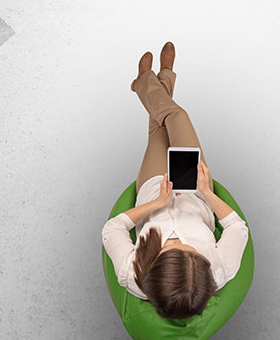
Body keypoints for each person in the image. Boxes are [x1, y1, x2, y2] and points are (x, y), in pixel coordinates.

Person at [101, 42, 250, 319]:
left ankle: (148, 82)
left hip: (152, 189)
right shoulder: (221, 269)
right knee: (177, 116)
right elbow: (237, 228)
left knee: (158, 128)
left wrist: (156, 203)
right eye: (187, 247)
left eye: (166, 248)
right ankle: (153, 80)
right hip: (194, 189)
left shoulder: (131, 273)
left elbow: (113, 228)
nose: (173, 239)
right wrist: (206, 192)